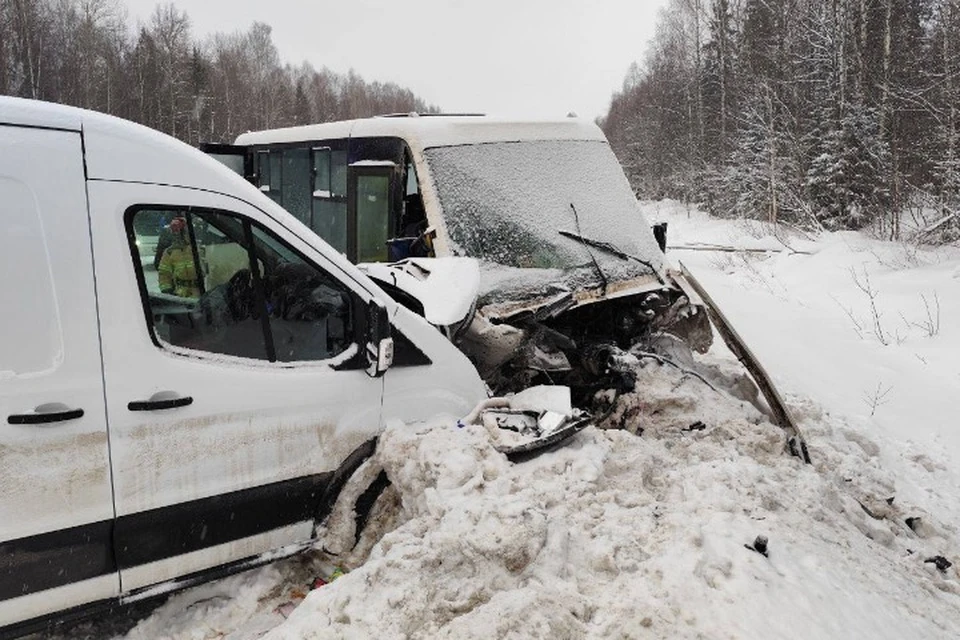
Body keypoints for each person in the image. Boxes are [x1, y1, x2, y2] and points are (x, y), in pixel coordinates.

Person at [157, 216, 201, 298]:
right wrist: (167, 291)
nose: (177, 234)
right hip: (181, 296)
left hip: (201, 293)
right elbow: (164, 274)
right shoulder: (169, 252)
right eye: (174, 231)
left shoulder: (198, 248)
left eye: (179, 231)